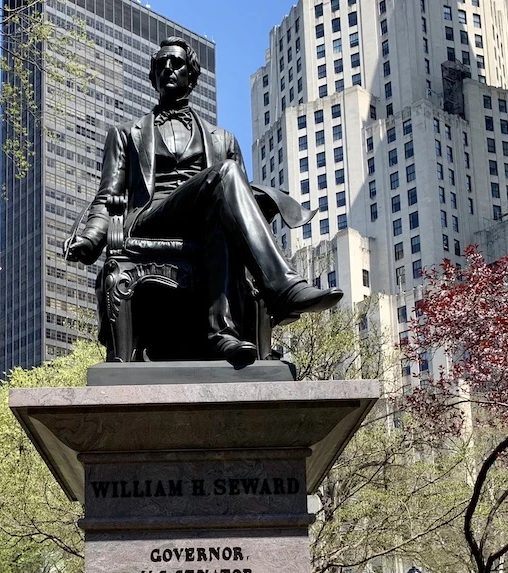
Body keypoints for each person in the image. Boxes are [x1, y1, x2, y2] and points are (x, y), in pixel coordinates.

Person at [63, 38, 341, 366]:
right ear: (153, 78)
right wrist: (91, 238)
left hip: (205, 224)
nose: (168, 68)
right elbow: (107, 196)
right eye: (161, 64)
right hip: (152, 217)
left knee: (224, 214)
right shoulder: (126, 134)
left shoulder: (223, 140)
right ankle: (283, 287)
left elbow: (241, 201)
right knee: (225, 174)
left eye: (176, 63)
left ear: (192, 77)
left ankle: (222, 333)